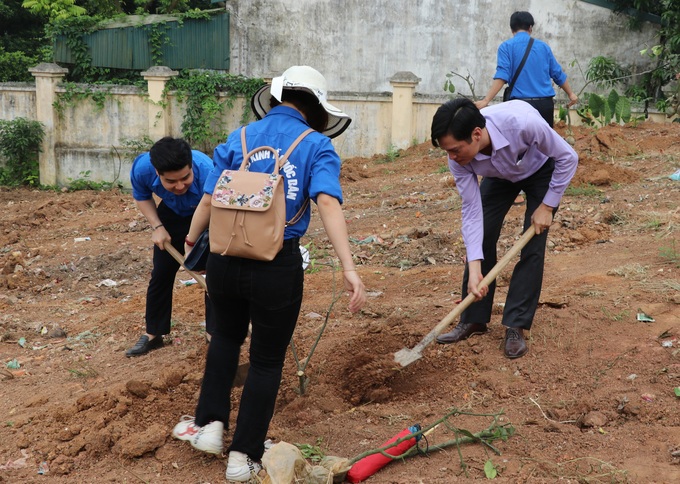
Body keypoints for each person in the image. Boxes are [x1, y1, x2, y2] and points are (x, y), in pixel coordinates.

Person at [171, 66, 367, 482]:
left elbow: (208, 199)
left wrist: (191, 241)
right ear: (316, 110)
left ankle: (209, 427)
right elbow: (329, 204)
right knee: (265, 360)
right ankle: (243, 457)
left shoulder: (239, 137)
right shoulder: (317, 146)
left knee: (224, 339)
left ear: (275, 98)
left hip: (224, 260)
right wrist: (349, 268)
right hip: (277, 266)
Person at [430, 98, 577, 359]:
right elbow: (472, 211)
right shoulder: (459, 158)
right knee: (483, 234)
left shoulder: (522, 124)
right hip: (499, 176)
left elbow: (568, 156)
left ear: (477, 134)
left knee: (532, 245)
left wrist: (547, 205)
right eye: (447, 151)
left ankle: (515, 325)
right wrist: (475, 268)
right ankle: (473, 319)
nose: (452, 157)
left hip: (539, 169)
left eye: (455, 150)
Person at [125, 137, 215, 357]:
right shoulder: (142, 168)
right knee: (161, 274)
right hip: (171, 214)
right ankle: (153, 334)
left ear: (192, 166)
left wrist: (195, 246)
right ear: (157, 173)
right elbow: (142, 196)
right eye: (171, 182)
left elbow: (213, 207)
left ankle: (214, 334)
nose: (180, 185)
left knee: (213, 274)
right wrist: (157, 226)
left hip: (207, 215)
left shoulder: (208, 171)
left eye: (185, 178)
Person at [475, 11, 579, 128]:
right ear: (530, 28)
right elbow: (557, 73)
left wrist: (486, 100)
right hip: (544, 105)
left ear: (512, 28)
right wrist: (571, 94)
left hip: (520, 106)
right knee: (543, 144)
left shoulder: (506, 47)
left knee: (520, 143)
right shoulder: (544, 47)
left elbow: (502, 75)